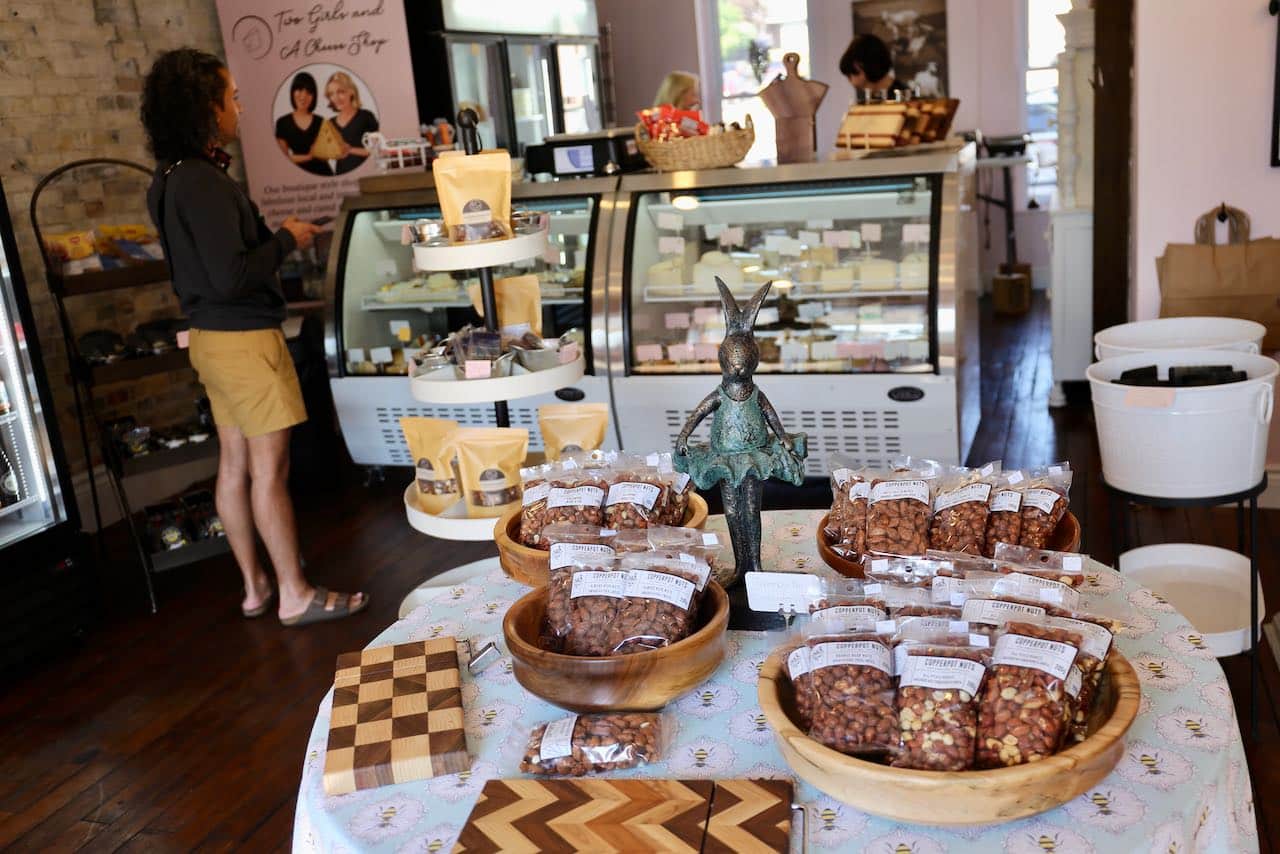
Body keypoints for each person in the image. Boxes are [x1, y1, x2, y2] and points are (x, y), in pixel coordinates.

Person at [141, 48, 368, 626]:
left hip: (210, 342)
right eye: (232, 96)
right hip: (245, 341)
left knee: (234, 464)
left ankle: (254, 587)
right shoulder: (205, 183)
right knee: (270, 470)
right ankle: (295, 593)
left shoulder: (166, 180)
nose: (239, 107)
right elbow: (234, 274)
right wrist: (289, 237)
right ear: (204, 106)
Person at [274, 72, 333, 176]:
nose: (303, 96)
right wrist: (309, 156)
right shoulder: (282, 123)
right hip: (297, 179)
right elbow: (282, 158)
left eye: (309, 92)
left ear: (314, 96)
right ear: (292, 92)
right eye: (299, 90)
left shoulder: (321, 121)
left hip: (324, 176)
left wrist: (321, 152)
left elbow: (328, 155)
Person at [324, 71, 378, 175]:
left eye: (341, 92)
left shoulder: (366, 116)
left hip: (367, 175)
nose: (336, 98)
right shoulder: (330, 123)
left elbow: (376, 149)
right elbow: (329, 154)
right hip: (341, 178)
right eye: (331, 94)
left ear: (351, 91)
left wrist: (350, 150)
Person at [839, 33, 912, 101]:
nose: (849, 81)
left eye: (849, 75)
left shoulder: (904, 99)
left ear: (858, 66)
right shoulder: (876, 97)